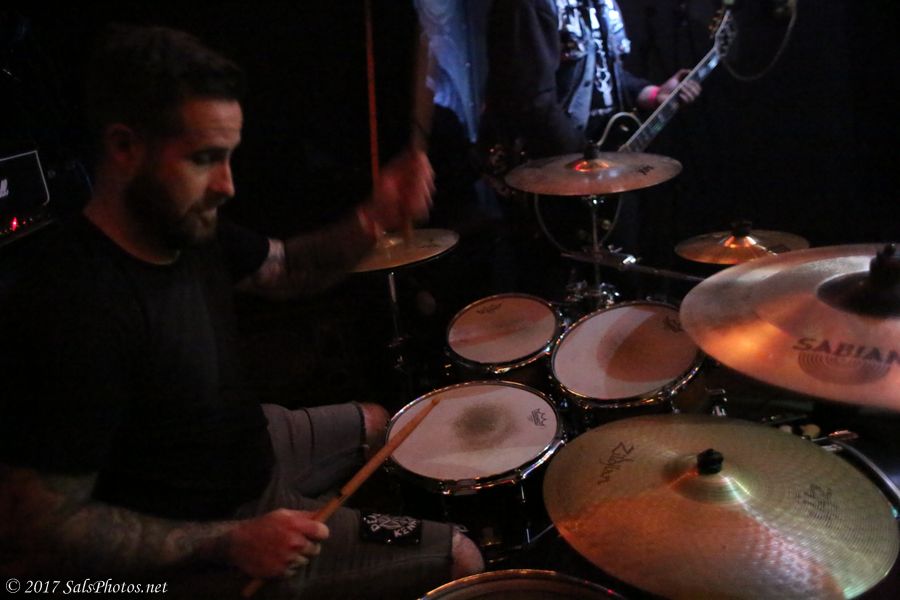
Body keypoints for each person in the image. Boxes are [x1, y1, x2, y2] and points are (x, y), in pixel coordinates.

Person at [0, 24, 482, 599]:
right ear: (125, 148)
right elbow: (40, 530)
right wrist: (230, 542)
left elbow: (287, 269)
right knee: (461, 555)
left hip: (249, 442)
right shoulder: (71, 309)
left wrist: (374, 215)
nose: (227, 185)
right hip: (206, 525)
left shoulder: (186, 227)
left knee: (384, 422)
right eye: (205, 159)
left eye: (228, 156)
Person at [477, 0, 702, 299]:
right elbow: (532, 101)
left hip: (601, 171)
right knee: (559, 293)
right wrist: (589, 169)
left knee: (619, 286)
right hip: (552, 184)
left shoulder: (600, 3)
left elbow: (605, 72)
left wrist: (650, 93)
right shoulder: (527, 6)